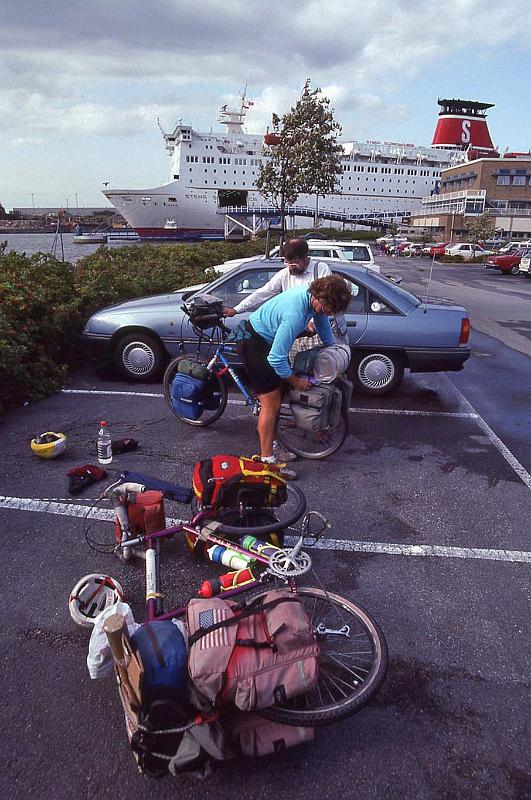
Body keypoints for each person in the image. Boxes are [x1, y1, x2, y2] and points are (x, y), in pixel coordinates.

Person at [234, 275, 351, 476]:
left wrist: (333, 349)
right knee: (271, 402)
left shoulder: (315, 299)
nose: (327, 312)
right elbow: (276, 359)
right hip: (255, 343)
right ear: (318, 296)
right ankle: (267, 463)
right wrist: (295, 380)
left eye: (331, 310)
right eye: (326, 307)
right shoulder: (295, 314)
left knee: (279, 392)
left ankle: (273, 436)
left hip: (269, 341)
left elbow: (322, 322)